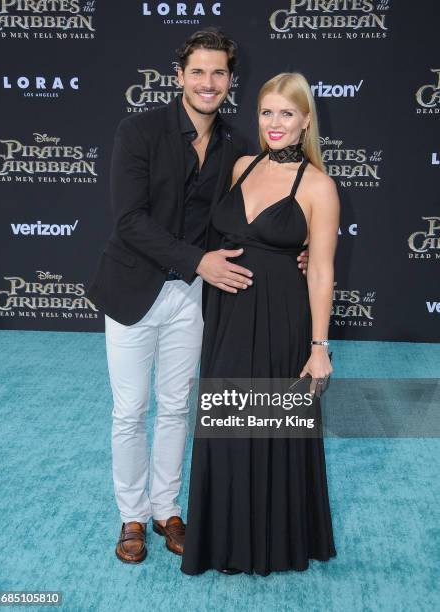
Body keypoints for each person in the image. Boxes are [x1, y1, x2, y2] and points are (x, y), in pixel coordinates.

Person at [87, 30, 309, 564]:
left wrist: (291, 255)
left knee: (174, 409)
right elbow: (129, 220)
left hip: (192, 296)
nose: (208, 83)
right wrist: (198, 260)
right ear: (179, 76)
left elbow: (245, 221)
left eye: (218, 73)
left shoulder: (237, 145)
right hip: (133, 290)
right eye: (198, 72)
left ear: (231, 80)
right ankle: (132, 516)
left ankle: (167, 510)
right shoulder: (138, 130)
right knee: (130, 410)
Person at [181, 72, 339, 576]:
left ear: (305, 120)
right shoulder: (242, 166)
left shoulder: (319, 185)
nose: (274, 123)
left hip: (281, 318)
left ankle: (272, 544)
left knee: (271, 429)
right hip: (226, 313)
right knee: (227, 427)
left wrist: (319, 347)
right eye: (267, 112)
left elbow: (319, 269)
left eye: (286, 114)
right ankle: (224, 541)